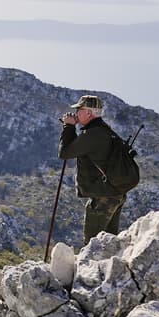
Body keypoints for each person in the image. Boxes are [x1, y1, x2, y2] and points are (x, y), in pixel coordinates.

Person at [58, 94, 126, 245]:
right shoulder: (105, 131)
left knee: (93, 245)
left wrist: (68, 126)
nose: (76, 113)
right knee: (108, 243)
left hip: (103, 197)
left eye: (79, 110)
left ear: (88, 113)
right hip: (116, 193)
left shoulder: (93, 134)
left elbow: (65, 153)